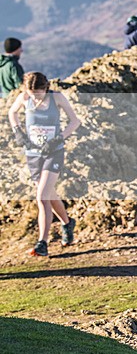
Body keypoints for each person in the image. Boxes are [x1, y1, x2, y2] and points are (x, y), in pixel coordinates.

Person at [8, 72, 80, 256]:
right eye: (32, 93)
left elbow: (75, 121)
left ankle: (42, 242)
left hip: (53, 152)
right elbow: (12, 112)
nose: (35, 97)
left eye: (38, 93)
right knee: (49, 194)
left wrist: (58, 139)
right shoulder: (24, 97)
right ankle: (67, 223)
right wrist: (17, 131)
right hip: (33, 154)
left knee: (41, 197)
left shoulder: (56, 98)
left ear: (45, 88)